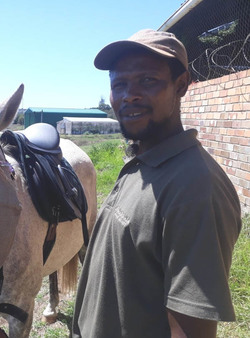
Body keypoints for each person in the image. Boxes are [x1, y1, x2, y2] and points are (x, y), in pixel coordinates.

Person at [72, 29, 242, 338]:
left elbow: (191, 331)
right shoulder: (144, 162)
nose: (129, 94)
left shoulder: (194, 188)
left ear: (181, 85)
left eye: (147, 80)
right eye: (118, 84)